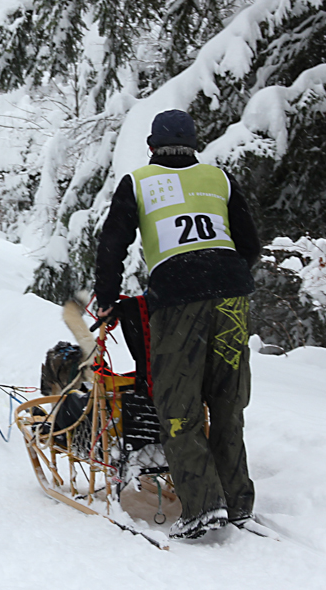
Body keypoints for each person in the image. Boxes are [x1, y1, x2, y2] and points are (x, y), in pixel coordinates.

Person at [93, 109, 261, 540]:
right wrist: (224, 277)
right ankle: (238, 502)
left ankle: (204, 505)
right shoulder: (218, 179)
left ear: (151, 147)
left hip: (178, 295)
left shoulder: (138, 182)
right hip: (231, 295)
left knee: (177, 403)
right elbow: (249, 244)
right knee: (227, 399)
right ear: (194, 145)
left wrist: (109, 299)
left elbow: (113, 243)